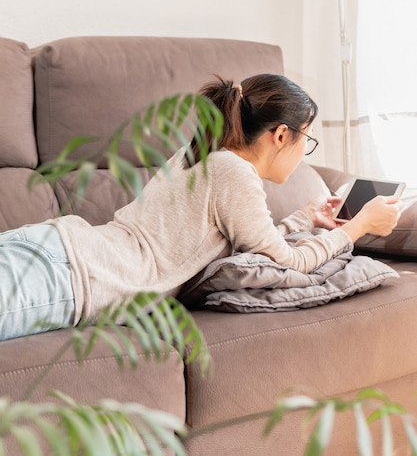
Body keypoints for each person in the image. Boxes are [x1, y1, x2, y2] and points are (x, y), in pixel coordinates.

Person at [0, 73, 402, 341]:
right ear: (282, 135)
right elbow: (289, 264)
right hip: (74, 276)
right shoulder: (234, 172)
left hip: (59, 248)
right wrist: (355, 227)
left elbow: (253, 244)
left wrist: (304, 218)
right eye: (306, 141)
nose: (304, 153)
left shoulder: (204, 154)